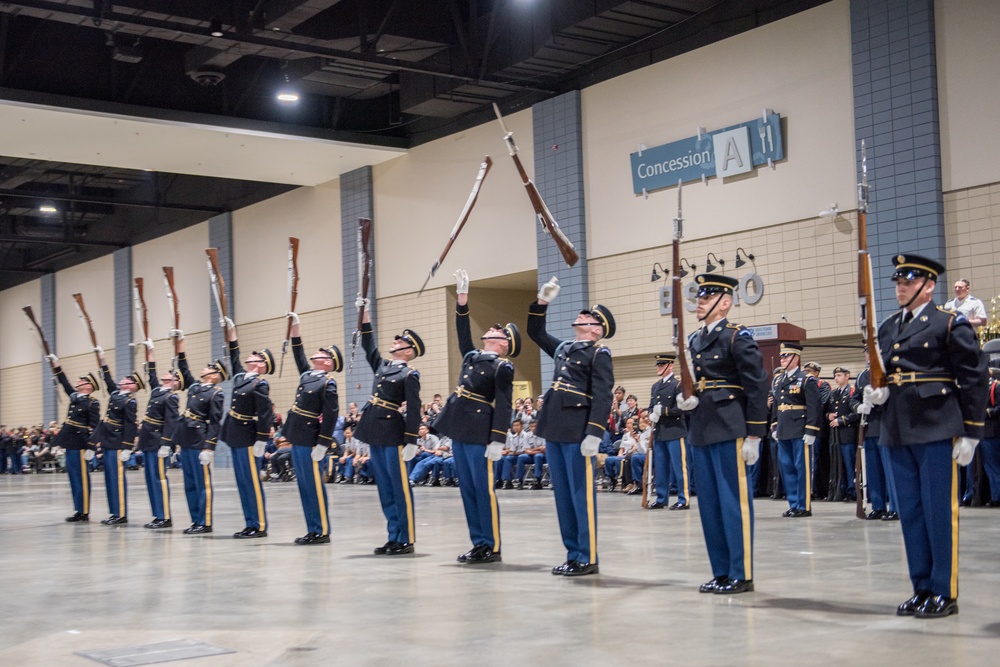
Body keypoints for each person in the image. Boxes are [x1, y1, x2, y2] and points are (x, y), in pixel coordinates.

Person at [865, 254, 988, 618]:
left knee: (938, 512)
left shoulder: (948, 324)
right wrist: (878, 393)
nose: (900, 287)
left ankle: (943, 591)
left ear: (928, 286)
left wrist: (972, 432)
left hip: (936, 426)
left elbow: (974, 377)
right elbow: (886, 372)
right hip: (896, 428)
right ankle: (920, 587)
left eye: (908, 281)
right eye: (898, 282)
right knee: (911, 514)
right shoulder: (888, 327)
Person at [677, 274, 768, 595]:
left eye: (706, 298)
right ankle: (720, 571)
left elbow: (757, 385)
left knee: (733, 503)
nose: (699, 303)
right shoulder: (693, 339)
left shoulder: (735, 337)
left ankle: (740, 573)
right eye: (698, 298)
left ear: (724, 303)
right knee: (710, 506)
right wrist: (685, 399)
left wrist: (755, 434)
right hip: (701, 427)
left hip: (731, 426)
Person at [527, 276, 615, 577]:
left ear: (596, 329)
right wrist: (542, 303)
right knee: (562, 495)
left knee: (581, 494)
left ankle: (587, 556)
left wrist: (594, 433)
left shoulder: (598, 353)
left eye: (587, 317)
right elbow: (535, 332)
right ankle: (572, 554)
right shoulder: (565, 348)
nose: (581, 317)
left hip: (578, 430)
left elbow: (603, 395)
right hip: (553, 426)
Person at [430, 270, 517, 563]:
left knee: (484, 490)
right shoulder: (471, 357)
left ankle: (491, 546)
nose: (491, 331)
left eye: (498, 331)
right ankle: (477, 543)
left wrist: (498, 439)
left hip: (481, 430)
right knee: (467, 490)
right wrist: (463, 298)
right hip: (461, 427)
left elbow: (504, 405)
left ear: (505, 343)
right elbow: (462, 333)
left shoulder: (502, 367)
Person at [354, 297, 423, 556]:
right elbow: (367, 343)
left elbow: (414, 409)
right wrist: (365, 313)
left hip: (393, 432)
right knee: (384, 486)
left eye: (400, 342)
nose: (395, 343)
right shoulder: (382, 366)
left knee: (399, 486)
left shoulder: (409, 374)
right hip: (374, 430)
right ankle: (393, 535)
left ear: (408, 351)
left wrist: (411, 441)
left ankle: (406, 538)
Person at [283, 312, 342, 545]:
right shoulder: (308, 376)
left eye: (323, 353)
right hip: (297, 435)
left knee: (314, 484)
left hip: (310, 438)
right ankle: (311, 528)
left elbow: (331, 415)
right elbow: (299, 354)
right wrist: (295, 328)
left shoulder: (328, 382)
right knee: (304, 484)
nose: (317, 353)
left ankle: (322, 530)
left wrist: (323, 443)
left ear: (328, 362)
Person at [219, 317, 275, 539]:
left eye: (256, 356)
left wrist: (261, 439)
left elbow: (265, 413)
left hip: (250, 436)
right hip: (235, 434)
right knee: (242, 482)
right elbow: (234, 355)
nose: (249, 357)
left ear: (261, 364)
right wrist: (231, 330)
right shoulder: (242, 377)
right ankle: (249, 522)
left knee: (251, 482)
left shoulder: (259, 383)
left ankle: (259, 525)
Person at [171, 330, 226, 535]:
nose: (203, 368)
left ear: (213, 375)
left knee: (203, 484)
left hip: (198, 440)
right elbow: (183, 368)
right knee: (190, 484)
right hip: (185, 438)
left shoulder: (215, 393)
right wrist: (180, 343)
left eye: (208, 368)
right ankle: (195, 520)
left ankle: (205, 522)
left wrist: (209, 447)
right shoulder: (195, 388)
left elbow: (215, 422)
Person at [87, 349, 143, 525]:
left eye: (125, 380)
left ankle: (121, 514)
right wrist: (102, 360)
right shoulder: (115, 395)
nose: (121, 381)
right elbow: (108, 379)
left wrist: (127, 447)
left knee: (117, 479)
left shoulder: (129, 401)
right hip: (108, 441)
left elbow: (130, 425)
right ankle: (114, 512)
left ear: (132, 385)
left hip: (118, 443)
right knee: (109, 479)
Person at [45, 354, 101, 522]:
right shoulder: (75, 397)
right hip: (70, 442)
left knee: (82, 477)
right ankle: (78, 509)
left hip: (81, 443)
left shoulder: (92, 403)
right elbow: (64, 382)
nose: (77, 383)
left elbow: (95, 426)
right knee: (73, 477)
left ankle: (84, 511)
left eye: (81, 381)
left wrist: (92, 447)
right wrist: (56, 364)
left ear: (88, 386)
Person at [771, 343, 821, 518]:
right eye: (782, 356)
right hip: (784, 429)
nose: (782, 359)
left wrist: (811, 430)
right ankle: (793, 503)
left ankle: (804, 505)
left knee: (802, 468)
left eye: (786, 356)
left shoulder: (806, 379)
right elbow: (776, 405)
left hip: (800, 429)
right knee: (787, 468)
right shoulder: (779, 380)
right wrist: (775, 426)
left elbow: (814, 407)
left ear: (796, 358)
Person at [135, 342, 180, 529]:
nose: (164, 376)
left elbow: (171, 422)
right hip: (147, 441)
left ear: (174, 381)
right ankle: (157, 515)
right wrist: (150, 351)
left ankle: (165, 517)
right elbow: (151, 373)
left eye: (169, 375)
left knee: (158, 479)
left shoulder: (171, 397)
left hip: (157, 442)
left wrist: (166, 444)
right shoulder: (157, 391)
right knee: (150, 479)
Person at [853, 348, 899, 521]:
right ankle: (878, 506)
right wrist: (858, 406)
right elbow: (854, 397)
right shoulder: (862, 376)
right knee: (873, 470)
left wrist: (877, 401)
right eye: (867, 352)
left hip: (887, 426)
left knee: (890, 469)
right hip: (870, 427)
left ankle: (895, 507)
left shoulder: (890, 373)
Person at [647, 353, 688, 510]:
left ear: (670, 365)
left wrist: (663, 411)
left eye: (662, 364)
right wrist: (651, 413)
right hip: (660, 432)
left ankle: (683, 499)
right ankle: (661, 498)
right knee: (661, 468)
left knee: (679, 467)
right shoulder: (655, 386)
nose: (659, 367)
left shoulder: (677, 385)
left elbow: (681, 408)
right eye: (658, 365)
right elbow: (651, 405)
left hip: (675, 431)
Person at [826, 367, 859, 501]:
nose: (836, 378)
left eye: (839, 375)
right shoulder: (833, 393)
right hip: (835, 435)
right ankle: (839, 489)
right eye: (835, 376)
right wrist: (828, 416)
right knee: (837, 464)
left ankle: (852, 491)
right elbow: (827, 410)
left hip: (848, 433)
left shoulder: (852, 392)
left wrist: (842, 420)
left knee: (849, 463)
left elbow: (856, 413)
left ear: (847, 376)